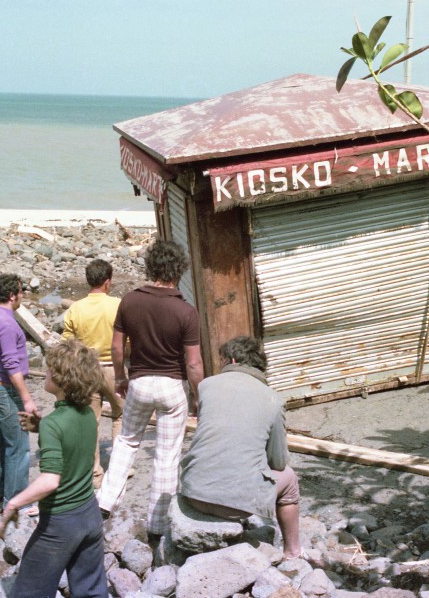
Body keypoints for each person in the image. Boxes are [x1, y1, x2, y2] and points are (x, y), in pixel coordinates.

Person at [96, 239, 203, 538]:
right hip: (172, 387)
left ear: (150, 267)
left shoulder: (129, 301)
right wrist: (199, 397)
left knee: (127, 441)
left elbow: (117, 348)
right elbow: (194, 363)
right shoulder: (186, 311)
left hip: (140, 383)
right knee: (167, 456)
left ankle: (105, 501)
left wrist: (121, 377)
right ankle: (157, 525)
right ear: (179, 270)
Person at [0, 339, 108, 598]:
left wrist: (14, 503)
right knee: (91, 590)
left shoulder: (53, 425)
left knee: (28, 592)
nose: (46, 373)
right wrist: (42, 426)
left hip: (59, 523)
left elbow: (50, 481)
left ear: (61, 380)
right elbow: (71, 436)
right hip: (90, 515)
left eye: (50, 370)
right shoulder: (87, 414)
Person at [179, 336, 302, 558]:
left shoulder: (206, 386)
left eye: (222, 360)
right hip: (236, 506)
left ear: (232, 360)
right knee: (290, 478)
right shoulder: (273, 399)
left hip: (193, 492)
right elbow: (279, 462)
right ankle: (292, 553)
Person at [0, 273, 40, 512]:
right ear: (13, 295)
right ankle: (16, 500)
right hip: (5, 387)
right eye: (21, 292)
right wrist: (27, 398)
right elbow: (11, 364)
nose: (22, 296)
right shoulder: (6, 323)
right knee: (19, 444)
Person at [61, 258, 123, 488]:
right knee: (120, 415)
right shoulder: (117, 305)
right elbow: (128, 339)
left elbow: (66, 343)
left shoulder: (75, 309)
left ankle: (95, 473)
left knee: (91, 421)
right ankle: (119, 469)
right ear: (107, 282)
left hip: (87, 368)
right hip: (113, 368)